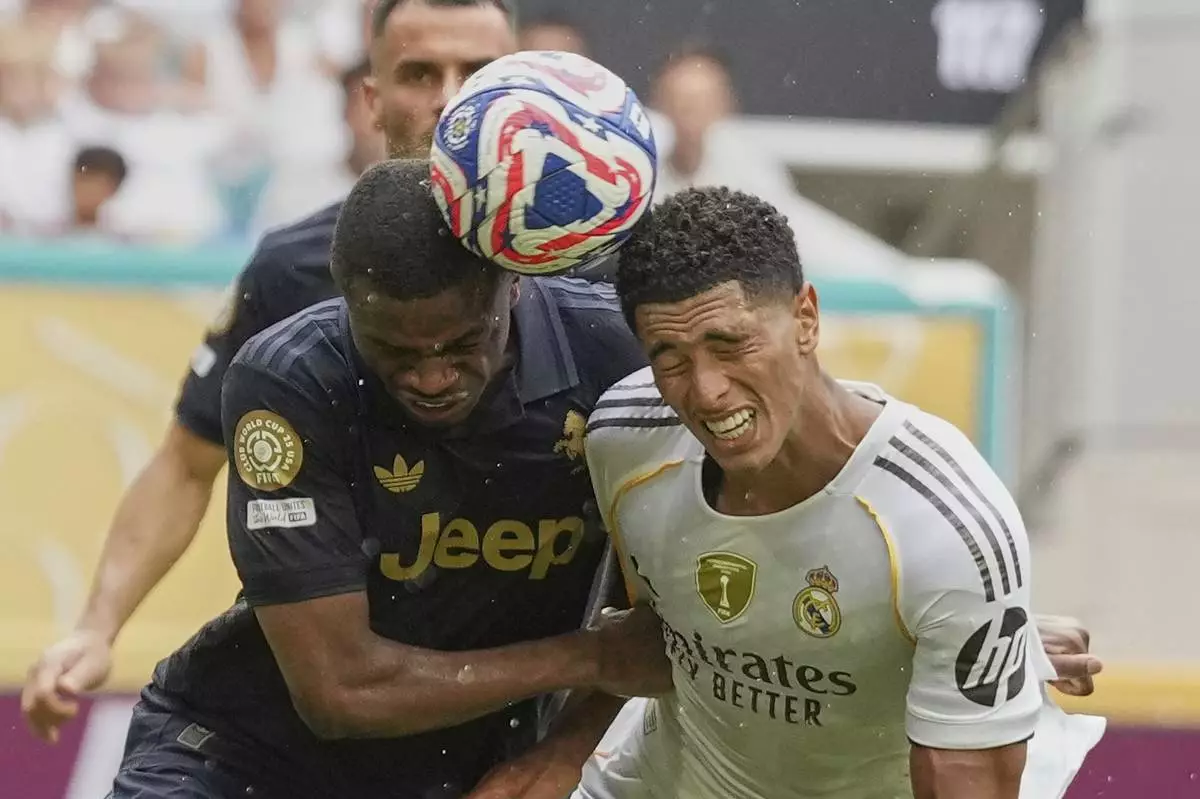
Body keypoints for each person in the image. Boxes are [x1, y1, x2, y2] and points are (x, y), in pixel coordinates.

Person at [21, 0, 516, 745]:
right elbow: (186, 464)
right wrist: (96, 628)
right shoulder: (293, 270)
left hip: (530, 691)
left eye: (478, 74)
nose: (450, 99)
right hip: (342, 694)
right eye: (420, 73)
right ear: (371, 99)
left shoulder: (592, 269)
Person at [565, 187, 1103, 798]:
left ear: (806, 318)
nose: (707, 391)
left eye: (730, 345)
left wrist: (980, 633)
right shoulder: (624, 436)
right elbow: (651, 632)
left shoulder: (947, 527)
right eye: (671, 359)